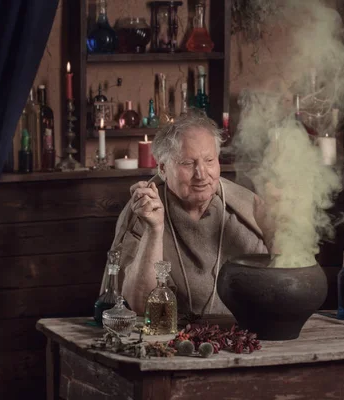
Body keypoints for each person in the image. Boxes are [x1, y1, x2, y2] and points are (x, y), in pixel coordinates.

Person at [101, 113, 274, 316]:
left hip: (241, 333)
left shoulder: (246, 208)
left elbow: (273, 289)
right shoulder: (144, 208)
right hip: (167, 335)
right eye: (187, 163)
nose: (201, 174)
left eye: (209, 160)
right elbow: (140, 306)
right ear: (163, 169)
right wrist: (154, 229)